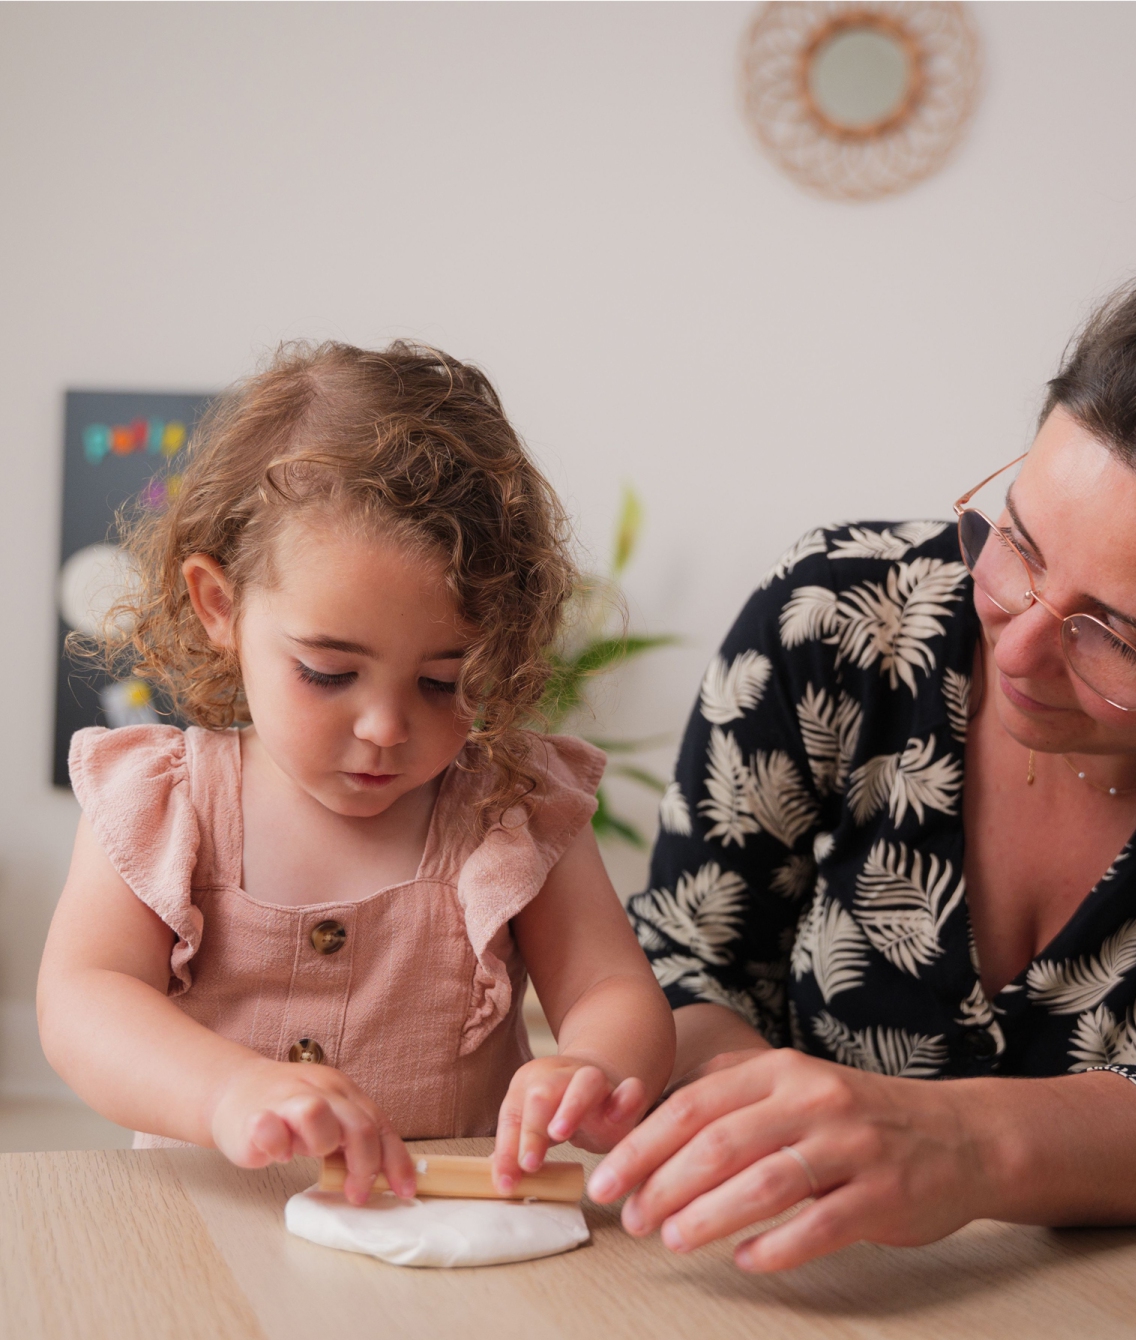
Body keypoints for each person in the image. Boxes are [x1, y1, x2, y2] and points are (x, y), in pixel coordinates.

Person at [589, 162, 1136, 1273]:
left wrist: (955, 1146)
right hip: (802, 1276)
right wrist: (776, 1133)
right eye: (1017, 540)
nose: (1013, 646)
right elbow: (686, 962)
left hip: (1135, 1335)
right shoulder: (838, 616)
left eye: (1119, 635)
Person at [38, 342, 674, 1203]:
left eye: (443, 682)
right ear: (220, 605)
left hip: (453, 1236)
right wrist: (229, 1090)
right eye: (330, 673)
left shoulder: (510, 810)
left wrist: (596, 1065)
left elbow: (610, 985)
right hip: (220, 1236)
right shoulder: (164, 801)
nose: (385, 727)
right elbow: (84, 1000)